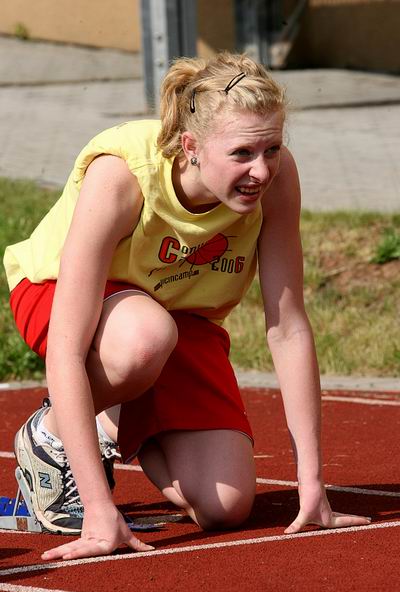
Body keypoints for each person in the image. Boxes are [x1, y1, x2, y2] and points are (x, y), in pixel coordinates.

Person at [3, 52, 370, 562]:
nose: (261, 170)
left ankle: (111, 419)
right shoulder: (122, 175)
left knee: (226, 506)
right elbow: (66, 345)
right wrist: (98, 509)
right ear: (191, 146)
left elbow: (287, 327)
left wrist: (312, 485)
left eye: (272, 148)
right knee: (144, 339)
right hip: (61, 297)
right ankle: (51, 435)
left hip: (176, 317)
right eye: (242, 153)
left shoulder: (278, 178)